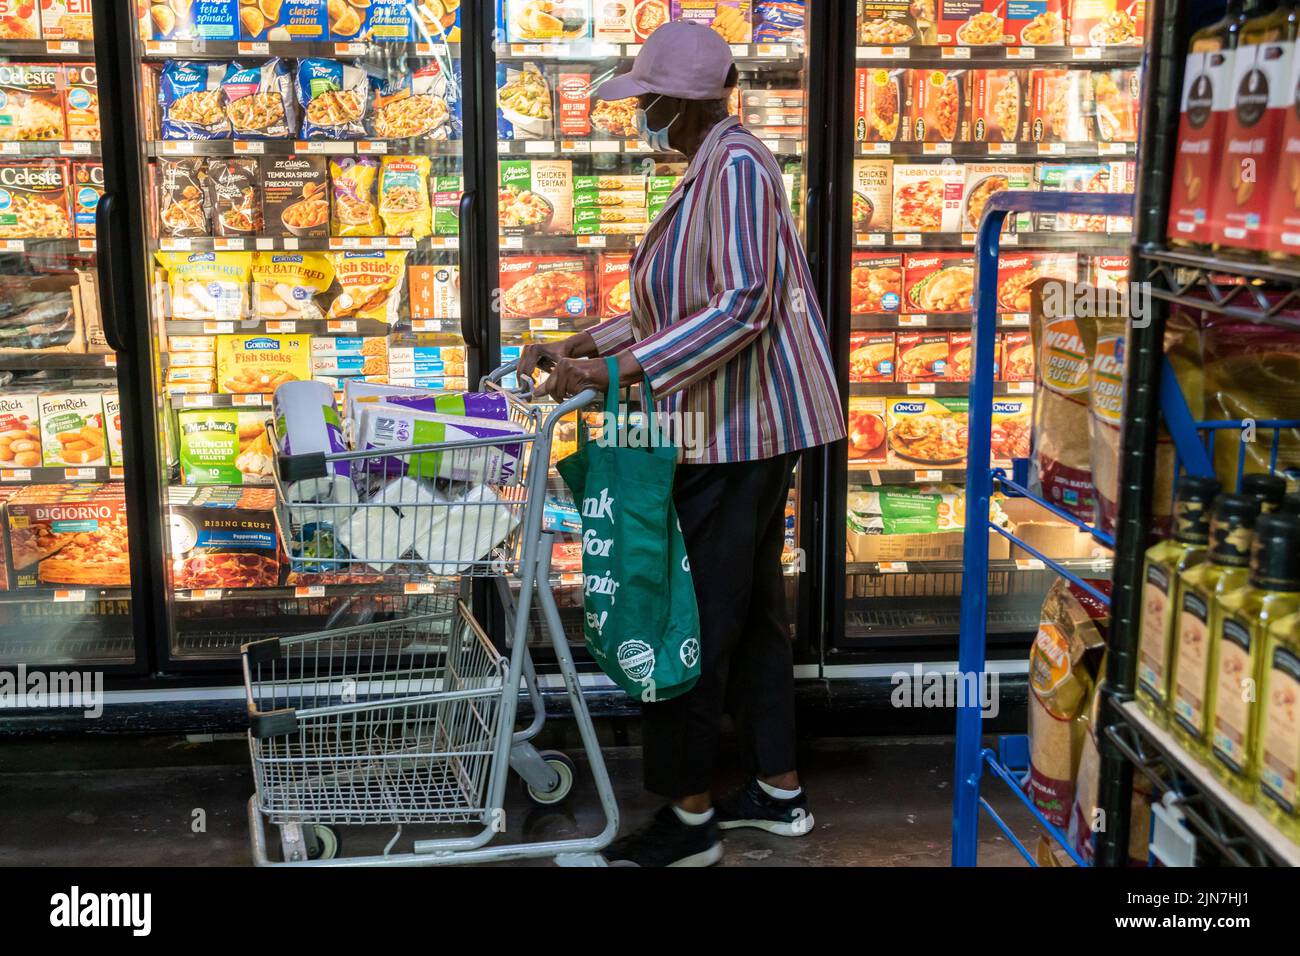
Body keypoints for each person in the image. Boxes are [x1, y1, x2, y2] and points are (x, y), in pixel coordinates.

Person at [519, 21, 845, 867]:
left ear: (680, 101)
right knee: (753, 620)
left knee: (685, 617)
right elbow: (681, 305)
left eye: (647, 100)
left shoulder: (734, 169)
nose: (641, 115)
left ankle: (690, 821)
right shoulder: (714, 165)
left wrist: (609, 379)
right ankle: (778, 793)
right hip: (742, 427)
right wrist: (588, 345)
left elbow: (741, 307)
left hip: (741, 432)